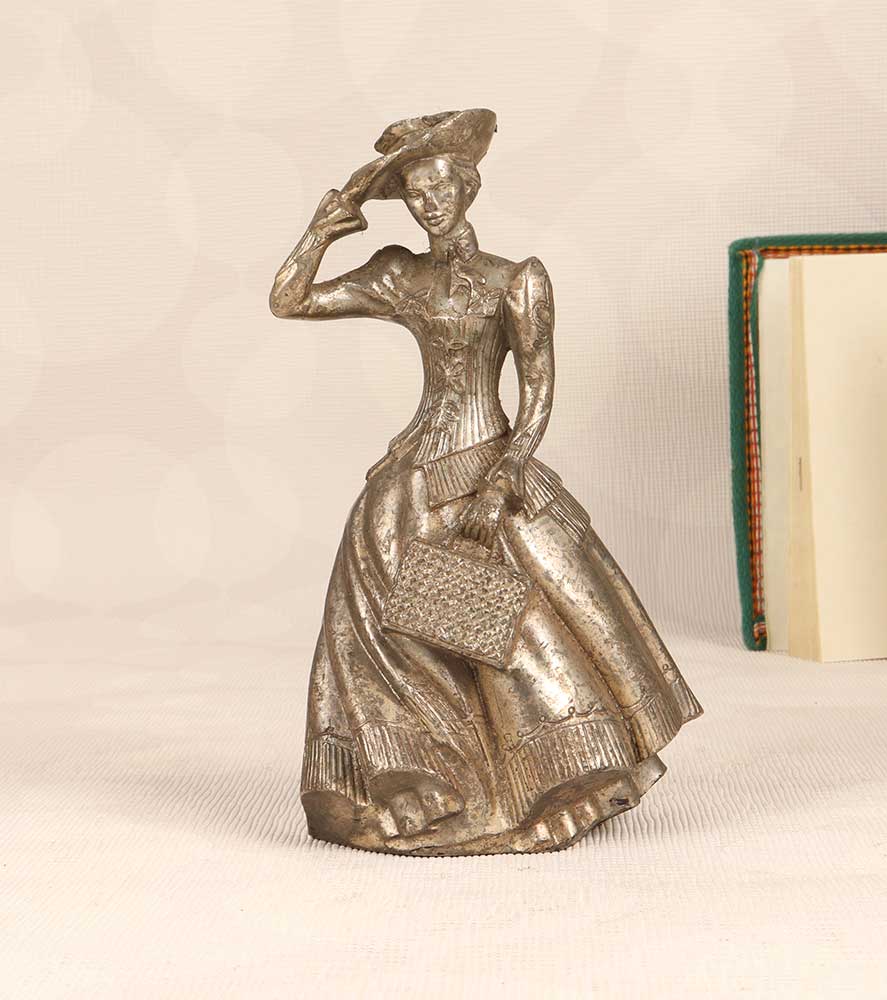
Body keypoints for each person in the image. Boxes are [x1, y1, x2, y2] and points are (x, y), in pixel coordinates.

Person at [270, 109, 702, 855]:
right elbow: (291, 300)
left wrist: (503, 479)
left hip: (483, 469)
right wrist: (321, 230)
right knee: (372, 621)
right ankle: (419, 783)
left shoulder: (515, 279)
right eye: (413, 193)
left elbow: (537, 394)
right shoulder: (401, 273)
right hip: (408, 478)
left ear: (468, 187)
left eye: (440, 187)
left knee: (504, 624)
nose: (428, 203)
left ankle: (544, 780)